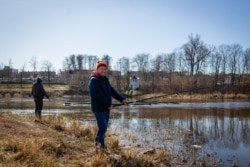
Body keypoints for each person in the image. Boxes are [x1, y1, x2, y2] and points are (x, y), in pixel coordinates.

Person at [88, 60, 127, 153]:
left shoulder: (105, 80)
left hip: (106, 108)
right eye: (101, 69)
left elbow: (112, 91)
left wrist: (122, 99)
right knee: (103, 127)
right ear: (97, 69)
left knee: (104, 128)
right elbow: (97, 95)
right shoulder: (94, 80)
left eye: (105, 69)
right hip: (99, 108)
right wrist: (108, 104)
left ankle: (101, 145)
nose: (103, 71)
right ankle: (98, 145)